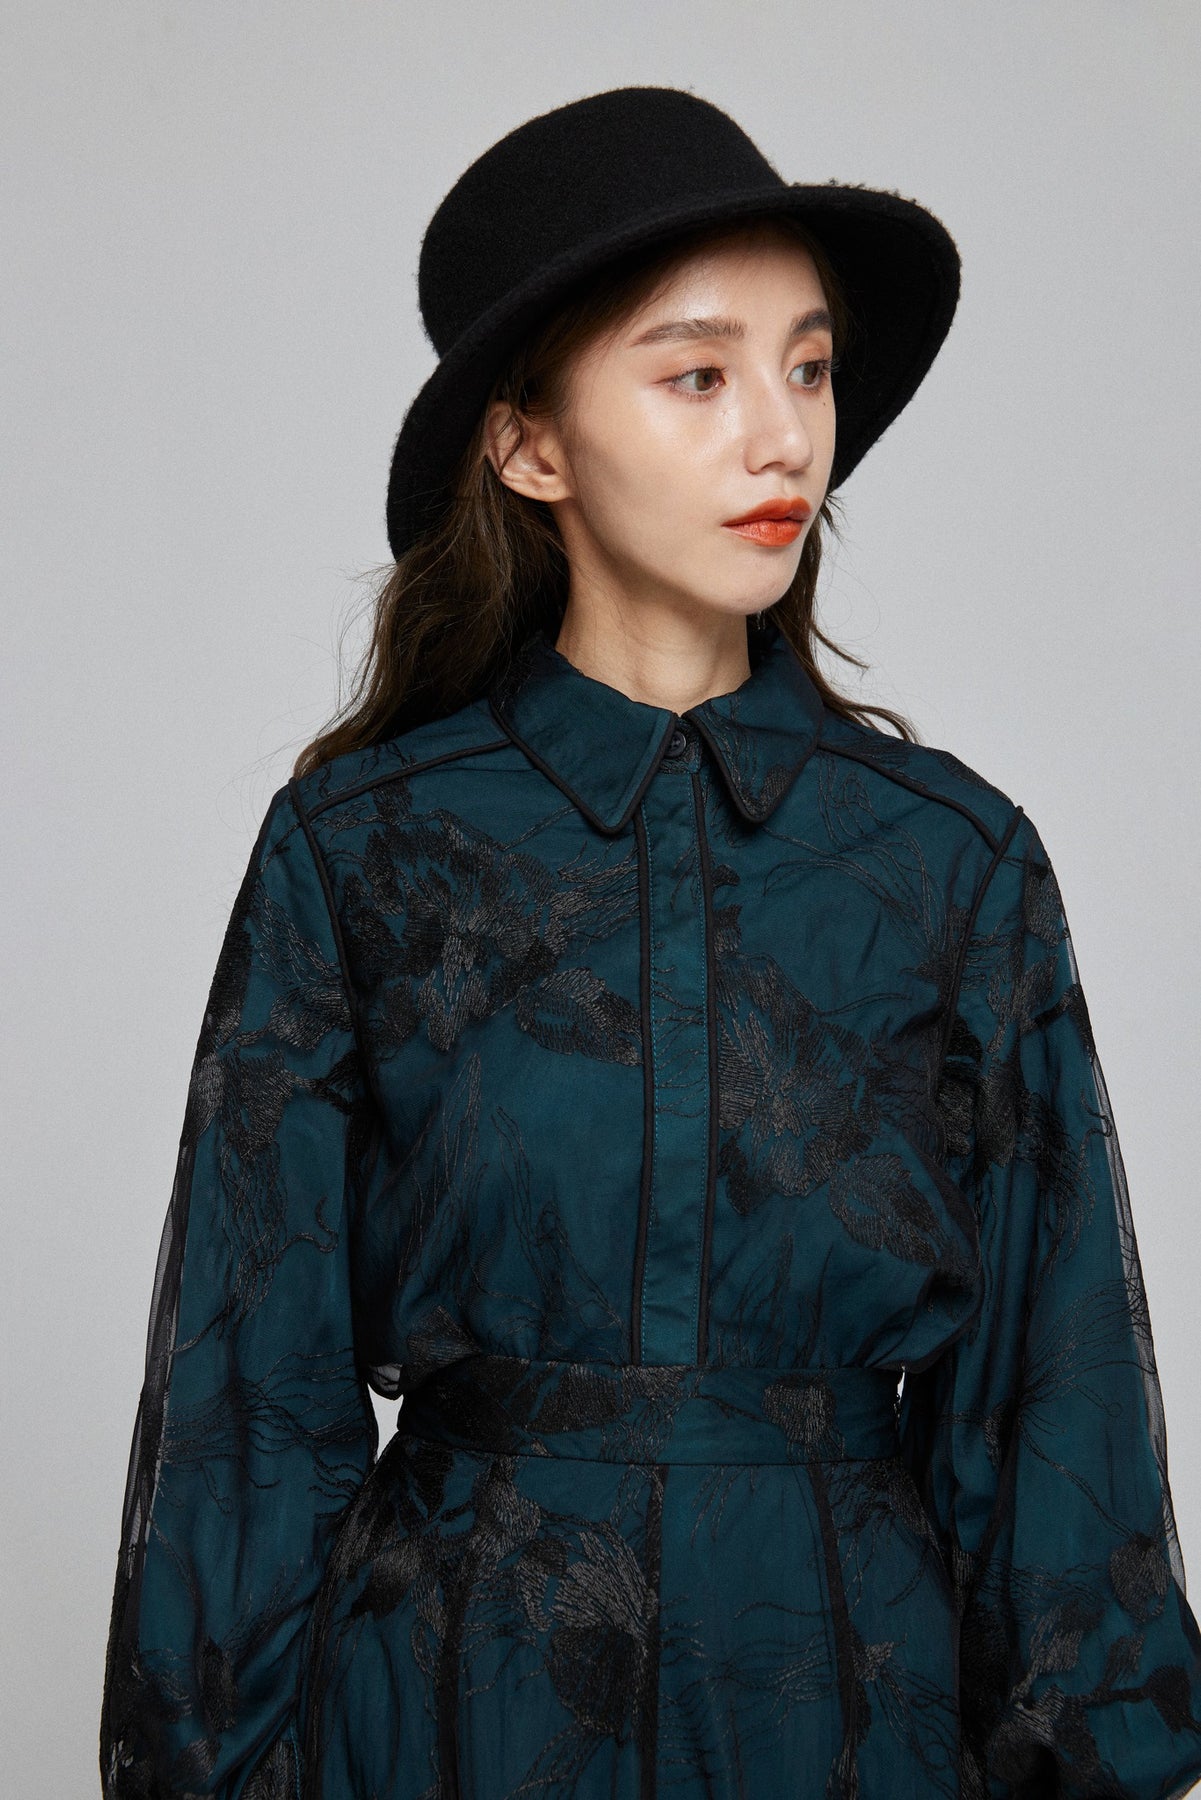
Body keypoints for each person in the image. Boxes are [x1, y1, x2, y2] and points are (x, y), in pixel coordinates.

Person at [99, 85, 1201, 1800]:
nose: (783, 439)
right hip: (450, 1708)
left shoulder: (948, 864)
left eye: (807, 370)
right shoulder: (366, 851)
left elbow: (1049, 1393)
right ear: (528, 447)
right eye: (698, 376)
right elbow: (251, 1397)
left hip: (848, 1708)